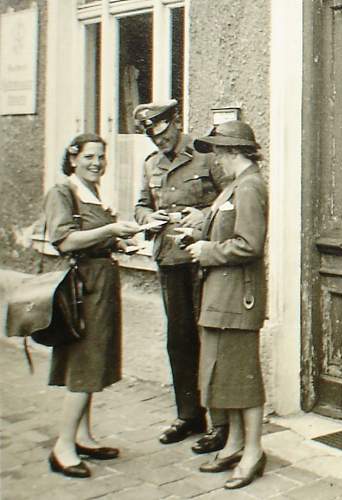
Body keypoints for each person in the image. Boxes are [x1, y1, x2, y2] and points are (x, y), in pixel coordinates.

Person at [133, 99, 229, 452]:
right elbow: (141, 204)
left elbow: (227, 200)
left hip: (203, 260)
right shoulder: (150, 164)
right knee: (179, 339)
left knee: (210, 338)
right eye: (149, 135)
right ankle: (188, 415)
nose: (156, 140)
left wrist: (201, 217)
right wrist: (147, 220)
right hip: (171, 258)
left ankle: (220, 422)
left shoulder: (204, 154)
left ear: (174, 122)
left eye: (159, 131)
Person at [44, 133, 141, 478]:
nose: (96, 163)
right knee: (85, 364)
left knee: (95, 360)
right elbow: (65, 240)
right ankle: (63, 446)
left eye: (101, 157)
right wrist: (111, 229)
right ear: (72, 159)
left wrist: (118, 242)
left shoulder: (92, 194)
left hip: (100, 284)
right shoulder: (63, 192)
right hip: (83, 288)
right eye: (89, 157)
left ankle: (82, 436)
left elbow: (96, 236)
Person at [185, 120, 268, 489]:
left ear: (234, 151)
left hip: (238, 296)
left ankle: (253, 451)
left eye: (219, 150)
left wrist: (207, 251)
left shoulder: (250, 187)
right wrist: (198, 231)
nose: (215, 158)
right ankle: (235, 442)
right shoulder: (234, 186)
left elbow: (249, 244)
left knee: (243, 378)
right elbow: (224, 230)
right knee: (225, 374)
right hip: (221, 295)